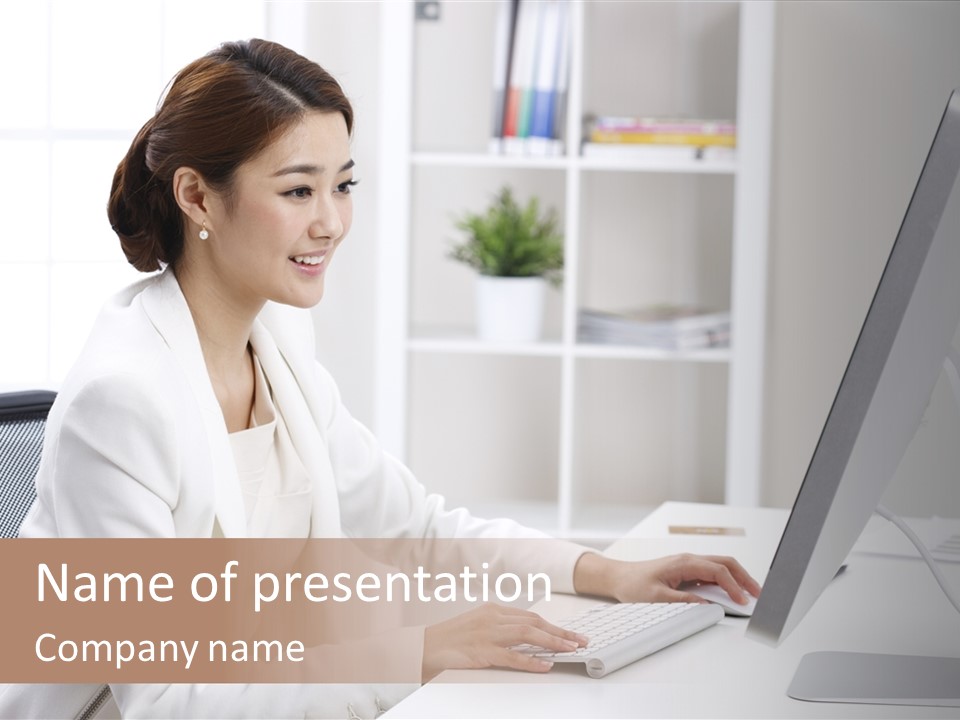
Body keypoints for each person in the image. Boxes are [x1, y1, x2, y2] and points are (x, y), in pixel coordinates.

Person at [8, 39, 760, 719]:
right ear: (198, 196)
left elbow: (414, 530)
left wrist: (607, 573)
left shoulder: (278, 341)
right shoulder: (124, 398)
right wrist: (415, 652)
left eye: (343, 185)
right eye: (298, 191)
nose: (332, 222)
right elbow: (167, 699)